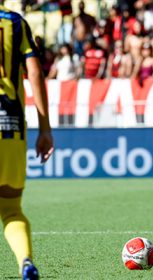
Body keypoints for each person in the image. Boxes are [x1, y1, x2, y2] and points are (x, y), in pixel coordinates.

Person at [0, 4, 54, 280]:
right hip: (9, 125)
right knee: (10, 209)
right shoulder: (14, 22)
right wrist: (45, 129)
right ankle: (25, 263)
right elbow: (34, 72)